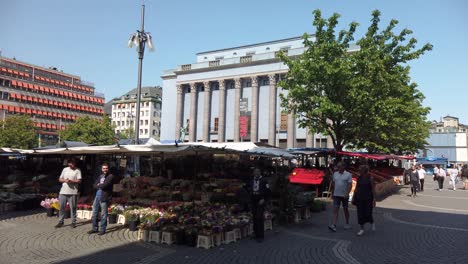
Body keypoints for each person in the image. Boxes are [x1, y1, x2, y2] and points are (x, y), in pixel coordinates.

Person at [87, 163, 114, 235]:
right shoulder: (100, 176)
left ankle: (102, 229)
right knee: (94, 213)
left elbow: (105, 185)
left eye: (106, 168)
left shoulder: (110, 176)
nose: (105, 170)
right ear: (101, 169)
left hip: (104, 197)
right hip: (97, 196)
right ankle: (94, 228)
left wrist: (99, 185)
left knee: (103, 214)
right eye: (104, 168)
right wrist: (98, 185)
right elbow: (94, 185)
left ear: (108, 169)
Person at [55, 158, 82, 228]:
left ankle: (73, 222)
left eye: (73, 163)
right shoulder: (65, 169)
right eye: (70, 163)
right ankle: (61, 221)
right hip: (63, 192)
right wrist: (65, 180)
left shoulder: (77, 170)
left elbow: (79, 181)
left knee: (73, 207)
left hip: (73, 192)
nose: (72, 165)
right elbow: (60, 179)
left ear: (75, 163)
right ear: (68, 163)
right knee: (61, 207)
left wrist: (72, 181)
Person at [328, 162, 353, 232]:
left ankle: (347, 223)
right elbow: (333, 184)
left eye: (339, 166)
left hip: (344, 195)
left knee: (345, 209)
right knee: (335, 209)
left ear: (343, 167)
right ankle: (333, 225)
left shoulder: (348, 174)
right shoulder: (335, 174)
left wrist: (347, 193)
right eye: (337, 166)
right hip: (336, 195)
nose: (338, 168)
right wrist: (332, 193)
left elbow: (350, 185)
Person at [248, 168, 271, 242]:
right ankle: (256, 233)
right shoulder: (252, 181)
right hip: (253, 200)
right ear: (253, 173)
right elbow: (250, 189)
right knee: (254, 217)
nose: (256, 173)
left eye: (258, 172)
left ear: (260, 173)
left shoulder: (264, 181)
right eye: (255, 172)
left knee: (259, 217)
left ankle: (261, 236)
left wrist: (264, 199)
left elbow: (268, 191)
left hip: (261, 200)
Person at [353, 165, 376, 236]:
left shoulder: (370, 178)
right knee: (360, 213)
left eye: (360, 170)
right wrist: (353, 197)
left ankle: (372, 222)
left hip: (368, 198)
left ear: (364, 170)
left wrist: (374, 199)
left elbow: (373, 189)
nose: (359, 171)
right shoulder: (359, 177)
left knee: (368, 213)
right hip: (359, 197)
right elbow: (356, 188)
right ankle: (361, 229)